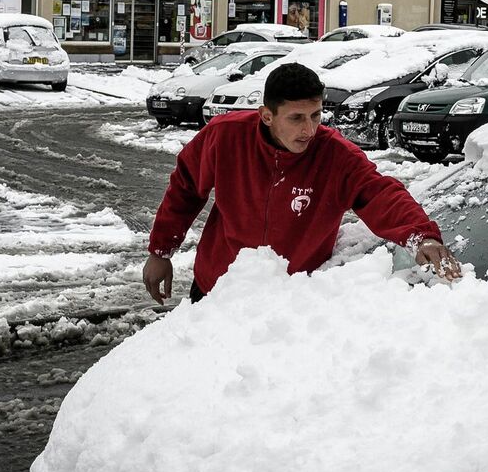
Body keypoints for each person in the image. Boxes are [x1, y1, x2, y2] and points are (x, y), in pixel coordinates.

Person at [142, 61, 461, 303]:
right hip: (218, 289)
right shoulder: (225, 136)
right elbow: (184, 188)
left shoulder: (334, 154)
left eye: (316, 116)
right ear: (266, 115)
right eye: (296, 118)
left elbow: (379, 193)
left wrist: (422, 237)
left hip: (291, 301)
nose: (309, 130)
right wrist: (160, 252)